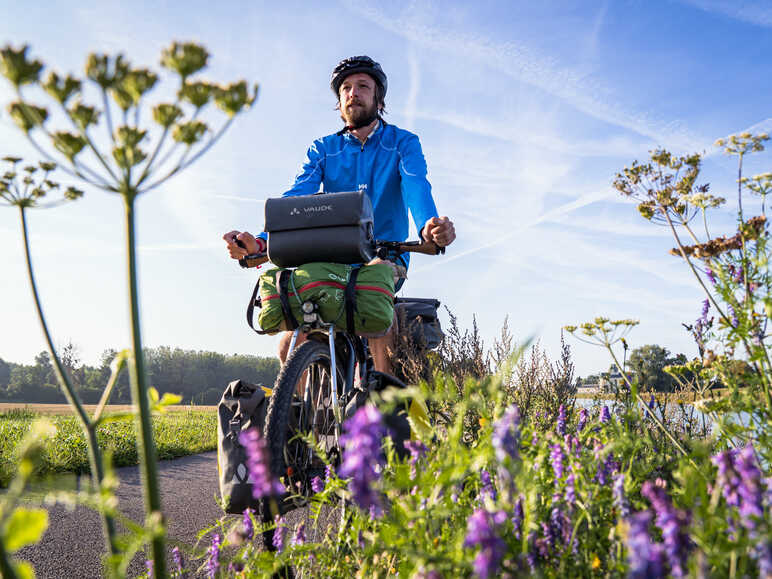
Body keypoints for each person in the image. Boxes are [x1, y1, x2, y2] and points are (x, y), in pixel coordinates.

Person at [224, 55, 455, 373]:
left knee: (377, 315)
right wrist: (261, 243)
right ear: (339, 100)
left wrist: (429, 227)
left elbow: (417, 187)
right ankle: (301, 422)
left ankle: (380, 412)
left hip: (384, 256)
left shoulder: (402, 143)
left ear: (378, 98)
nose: (353, 92)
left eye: (363, 86)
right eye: (346, 87)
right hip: (330, 260)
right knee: (288, 343)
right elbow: (296, 198)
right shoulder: (323, 149)